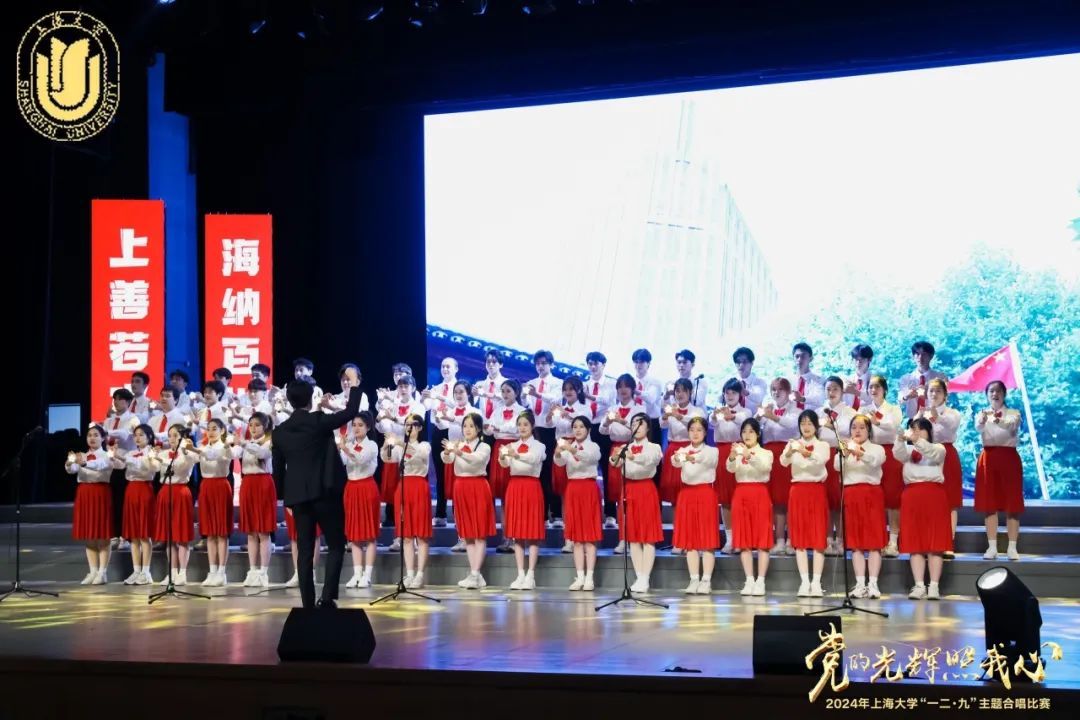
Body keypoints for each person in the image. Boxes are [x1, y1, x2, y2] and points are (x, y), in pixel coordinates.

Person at [271, 366, 363, 609]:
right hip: (326, 493)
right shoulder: (318, 421)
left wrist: (285, 499)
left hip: (299, 498)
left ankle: (307, 605)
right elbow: (351, 411)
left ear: (289, 401)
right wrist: (354, 384)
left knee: (304, 551)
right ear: (311, 399)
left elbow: (278, 472)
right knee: (336, 544)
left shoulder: (279, 432)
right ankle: (327, 597)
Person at [893, 418, 951, 600]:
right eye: (913, 429)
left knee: (935, 543)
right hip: (912, 495)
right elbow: (898, 454)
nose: (916, 432)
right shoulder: (909, 450)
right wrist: (900, 439)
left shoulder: (939, 448)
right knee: (915, 542)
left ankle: (934, 586)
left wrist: (916, 440)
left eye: (920, 429)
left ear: (929, 431)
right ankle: (919, 585)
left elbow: (932, 453)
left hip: (934, 495)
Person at [442, 412, 495, 589]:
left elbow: (476, 460)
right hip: (461, 487)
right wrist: (448, 452)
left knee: (479, 533)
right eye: (465, 426)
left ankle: (475, 574)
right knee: (468, 534)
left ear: (478, 428)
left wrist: (459, 452)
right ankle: (475, 574)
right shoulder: (459, 444)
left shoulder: (484, 446)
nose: (467, 429)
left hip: (478, 486)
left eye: (471, 426)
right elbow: (447, 459)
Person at [611, 413, 663, 593]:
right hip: (629, 489)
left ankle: (645, 577)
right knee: (632, 536)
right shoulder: (626, 447)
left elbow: (651, 460)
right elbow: (614, 464)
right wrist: (617, 456)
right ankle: (639, 575)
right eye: (634, 423)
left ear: (648, 427)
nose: (637, 427)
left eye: (641, 424)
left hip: (646, 489)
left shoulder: (654, 447)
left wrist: (632, 456)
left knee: (647, 537)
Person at [780, 410, 830, 597]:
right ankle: (804, 581)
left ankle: (816, 582)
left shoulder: (823, 445)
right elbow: (783, 462)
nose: (806, 427)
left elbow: (820, 461)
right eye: (803, 424)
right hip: (798, 491)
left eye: (809, 423)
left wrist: (804, 452)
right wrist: (790, 451)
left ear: (816, 426)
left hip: (816, 490)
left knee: (818, 536)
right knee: (799, 537)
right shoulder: (793, 443)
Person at [381, 413, 433, 589]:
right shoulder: (398, 447)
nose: (409, 428)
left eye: (413, 424)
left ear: (420, 428)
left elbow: (420, 454)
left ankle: (420, 574)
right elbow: (388, 458)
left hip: (419, 487)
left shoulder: (424, 445)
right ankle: (409, 574)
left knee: (422, 535)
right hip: (403, 488)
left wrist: (400, 443)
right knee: (407, 535)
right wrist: (387, 444)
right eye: (407, 424)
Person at [838, 414, 887, 599]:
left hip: (871, 494)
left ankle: (873, 583)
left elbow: (875, 461)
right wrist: (845, 453)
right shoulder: (845, 448)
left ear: (869, 431)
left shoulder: (877, 448)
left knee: (874, 541)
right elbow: (836, 467)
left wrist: (858, 451)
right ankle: (860, 584)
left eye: (861, 427)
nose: (857, 431)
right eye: (854, 427)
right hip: (851, 494)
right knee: (855, 542)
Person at [975, 381, 1024, 561]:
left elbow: (1011, 426)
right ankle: (992, 547)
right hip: (988, 458)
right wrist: (982, 420)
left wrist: (997, 419)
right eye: (991, 391)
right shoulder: (981, 413)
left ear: (1004, 394)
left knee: (1012, 504)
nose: (995, 394)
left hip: (1009, 458)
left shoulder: (1014, 413)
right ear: (987, 395)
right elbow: (978, 427)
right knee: (989, 504)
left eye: (998, 391)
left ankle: (1012, 547)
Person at [499, 409, 547, 590]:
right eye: (519, 425)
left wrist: (515, 455)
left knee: (532, 533)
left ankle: (531, 575)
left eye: (525, 424)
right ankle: (520, 574)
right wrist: (503, 456)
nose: (522, 428)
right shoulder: (511, 445)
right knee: (517, 534)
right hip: (515, 486)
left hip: (531, 487)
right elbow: (505, 464)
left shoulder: (539, 446)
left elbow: (534, 459)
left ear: (532, 426)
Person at [671, 417, 719, 594]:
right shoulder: (682, 450)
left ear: (705, 432)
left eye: (699, 430)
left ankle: (706, 580)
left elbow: (706, 460)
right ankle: (694, 579)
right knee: (690, 540)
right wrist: (680, 456)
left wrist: (689, 457)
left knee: (707, 539)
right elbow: (674, 461)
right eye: (692, 430)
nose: (695, 433)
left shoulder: (712, 451)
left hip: (705, 493)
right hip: (687, 494)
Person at [555, 415, 603, 591]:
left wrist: (571, 449)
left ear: (588, 429)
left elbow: (590, 458)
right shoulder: (569, 445)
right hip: (573, 489)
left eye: (581, 426)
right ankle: (580, 576)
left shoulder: (594, 446)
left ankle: (590, 577)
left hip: (588, 488)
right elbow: (559, 462)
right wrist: (558, 452)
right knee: (576, 538)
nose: (577, 430)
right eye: (575, 427)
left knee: (589, 537)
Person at [728, 418, 774, 596]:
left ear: (758, 434)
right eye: (744, 432)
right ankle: (749, 580)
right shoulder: (738, 451)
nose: (747, 435)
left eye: (751, 431)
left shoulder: (766, 452)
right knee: (744, 540)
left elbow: (764, 468)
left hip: (760, 493)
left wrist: (748, 455)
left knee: (763, 540)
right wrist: (733, 456)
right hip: (741, 493)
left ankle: (760, 581)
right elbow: (730, 469)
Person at [599, 374, 643, 553]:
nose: (623, 390)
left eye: (626, 386)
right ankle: (623, 538)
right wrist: (607, 421)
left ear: (632, 389)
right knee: (619, 496)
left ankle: (635, 537)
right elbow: (602, 431)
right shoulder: (612, 409)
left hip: (634, 450)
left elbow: (639, 431)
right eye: (620, 387)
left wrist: (621, 421)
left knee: (632, 496)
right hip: (615, 451)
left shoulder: (639, 409)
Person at [919, 378, 963, 556]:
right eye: (931, 391)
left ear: (945, 394)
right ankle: (928, 541)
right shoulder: (922, 414)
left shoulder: (952, 413)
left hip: (947, 454)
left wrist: (937, 416)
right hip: (927, 455)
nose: (934, 394)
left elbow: (951, 427)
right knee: (927, 499)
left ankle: (948, 543)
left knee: (950, 500)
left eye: (938, 391)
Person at [66, 425, 113, 585]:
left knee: (102, 535)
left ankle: (102, 572)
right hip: (84, 493)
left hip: (100, 493)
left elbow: (100, 465)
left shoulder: (107, 455)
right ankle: (92, 571)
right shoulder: (83, 455)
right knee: (89, 534)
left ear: (103, 438)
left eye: (96, 435)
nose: (92, 438)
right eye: (89, 435)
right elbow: (72, 470)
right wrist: (69, 463)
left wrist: (84, 463)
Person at [151, 425, 198, 585]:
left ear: (182, 438)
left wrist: (185, 450)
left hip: (181, 492)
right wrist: (152, 457)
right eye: (170, 435)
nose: (172, 439)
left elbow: (180, 466)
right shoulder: (163, 453)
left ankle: (182, 573)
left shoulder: (188, 453)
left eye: (175, 435)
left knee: (181, 536)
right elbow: (154, 468)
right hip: (165, 492)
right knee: (170, 537)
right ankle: (171, 573)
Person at [189, 419, 233, 587]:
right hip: (206, 487)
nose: (211, 432)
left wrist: (194, 449)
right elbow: (192, 458)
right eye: (208, 429)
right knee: (210, 532)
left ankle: (222, 572)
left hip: (220, 486)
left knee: (221, 532)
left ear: (222, 431)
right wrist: (186, 450)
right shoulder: (203, 447)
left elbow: (213, 455)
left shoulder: (225, 447)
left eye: (215, 429)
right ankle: (212, 571)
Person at [111, 423, 156, 585]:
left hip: (144, 490)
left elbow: (144, 466)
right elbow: (121, 466)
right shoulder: (131, 452)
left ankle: (146, 572)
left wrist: (124, 457)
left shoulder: (151, 453)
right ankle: (136, 571)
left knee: (144, 534)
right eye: (135, 435)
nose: (137, 438)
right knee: (134, 535)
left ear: (149, 437)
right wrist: (114, 456)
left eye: (141, 435)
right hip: (131, 490)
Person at [864, 375, 904, 557]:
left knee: (893, 499)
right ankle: (876, 539)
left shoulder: (894, 409)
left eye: (877, 387)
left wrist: (877, 422)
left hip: (891, 454)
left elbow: (894, 426)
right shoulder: (863, 410)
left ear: (885, 390)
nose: (873, 390)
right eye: (871, 387)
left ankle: (893, 541)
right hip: (871, 453)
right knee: (873, 498)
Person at [759, 378, 799, 555]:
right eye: (773, 389)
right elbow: (754, 427)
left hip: (789, 455)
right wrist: (760, 415)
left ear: (788, 392)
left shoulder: (796, 410)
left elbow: (791, 426)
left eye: (780, 389)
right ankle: (780, 539)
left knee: (790, 499)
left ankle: (792, 539)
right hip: (770, 456)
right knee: (776, 500)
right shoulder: (767, 409)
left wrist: (772, 416)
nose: (776, 392)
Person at [236, 413, 277, 588]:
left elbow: (262, 453)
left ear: (265, 427)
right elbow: (231, 454)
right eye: (251, 425)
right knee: (251, 531)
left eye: (257, 425)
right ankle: (252, 571)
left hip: (263, 484)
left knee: (263, 531)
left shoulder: (269, 442)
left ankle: (263, 572)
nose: (253, 428)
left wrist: (244, 443)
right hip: (248, 484)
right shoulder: (246, 444)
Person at [710, 378, 750, 554]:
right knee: (725, 499)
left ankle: (743, 537)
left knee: (741, 497)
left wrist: (730, 415)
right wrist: (715, 415)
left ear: (740, 394)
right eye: (727, 392)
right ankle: (730, 538)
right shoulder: (718, 411)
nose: (730, 395)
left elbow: (743, 421)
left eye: (734, 392)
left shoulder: (745, 412)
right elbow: (712, 422)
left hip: (740, 452)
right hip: (722, 453)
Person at [341, 412, 381, 588]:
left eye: (360, 425)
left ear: (368, 427)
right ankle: (356, 574)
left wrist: (345, 448)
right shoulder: (349, 444)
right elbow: (342, 461)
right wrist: (342, 448)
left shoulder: (371, 445)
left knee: (369, 534)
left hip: (366, 487)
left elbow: (361, 459)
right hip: (351, 487)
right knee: (354, 534)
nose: (356, 428)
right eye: (354, 425)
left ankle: (367, 574)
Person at [523, 350, 562, 527]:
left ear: (551, 364)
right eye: (537, 363)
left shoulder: (558, 383)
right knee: (538, 472)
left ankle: (557, 513)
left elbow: (555, 399)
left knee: (552, 472)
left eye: (544, 363)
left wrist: (537, 395)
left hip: (551, 430)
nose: (540, 366)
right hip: (535, 430)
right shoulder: (531, 383)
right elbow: (528, 406)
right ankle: (542, 514)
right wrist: (524, 397)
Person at [819, 376, 856, 556]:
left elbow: (854, 435)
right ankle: (826, 539)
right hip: (823, 457)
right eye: (828, 389)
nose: (831, 392)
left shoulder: (850, 412)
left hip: (842, 455)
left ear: (842, 391)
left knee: (840, 499)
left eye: (835, 389)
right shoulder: (819, 412)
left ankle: (841, 540)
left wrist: (833, 428)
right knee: (825, 500)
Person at [423, 357, 459, 528]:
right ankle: (441, 513)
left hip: (455, 431)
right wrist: (425, 398)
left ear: (456, 369)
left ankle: (458, 513)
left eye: (448, 366)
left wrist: (440, 397)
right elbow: (427, 407)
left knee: (456, 472)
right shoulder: (436, 388)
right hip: (438, 430)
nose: (445, 369)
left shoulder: (459, 387)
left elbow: (457, 404)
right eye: (443, 366)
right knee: (439, 472)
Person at [660, 378, 706, 510]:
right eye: (677, 391)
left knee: (690, 488)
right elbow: (662, 425)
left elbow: (696, 425)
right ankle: (677, 522)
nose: (680, 394)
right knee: (674, 490)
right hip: (674, 449)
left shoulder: (697, 411)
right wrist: (665, 416)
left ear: (690, 392)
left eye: (683, 391)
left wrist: (678, 416)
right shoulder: (671, 408)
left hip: (691, 449)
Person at [583, 351, 616, 525]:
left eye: (596, 363)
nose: (592, 366)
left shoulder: (611, 384)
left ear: (603, 365)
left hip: (605, 427)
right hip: (588, 428)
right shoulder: (584, 384)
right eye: (590, 363)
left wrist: (590, 396)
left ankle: (610, 513)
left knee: (607, 469)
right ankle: (590, 510)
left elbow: (609, 401)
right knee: (588, 469)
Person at [898, 341, 947, 419]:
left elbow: (945, 401)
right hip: (913, 420)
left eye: (924, 354)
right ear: (913, 356)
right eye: (917, 354)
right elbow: (900, 400)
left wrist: (929, 394)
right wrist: (907, 396)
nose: (920, 357)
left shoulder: (940, 377)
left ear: (931, 356)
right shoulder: (906, 379)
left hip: (934, 419)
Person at [790, 342, 826, 411]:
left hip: (813, 416)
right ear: (793, 358)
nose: (799, 359)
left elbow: (820, 399)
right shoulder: (788, 381)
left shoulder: (819, 379)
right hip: (792, 416)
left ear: (811, 358)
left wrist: (802, 399)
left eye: (803, 356)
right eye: (797, 356)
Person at [732, 347, 768, 414]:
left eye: (744, 362)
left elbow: (759, 398)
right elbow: (720, 399)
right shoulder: (730, 382)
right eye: (738, 362)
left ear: (752, 363)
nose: (741, 365)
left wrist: (744, 391)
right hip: (732, 418)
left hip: (753, 419)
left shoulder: (759, 382)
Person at [844, 344, 874, 411]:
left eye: (862, 359)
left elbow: (877, 401)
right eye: (856, 359)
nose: (858, 362)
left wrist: (855, 392)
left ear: (870, 359)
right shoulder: (848, 380)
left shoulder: (875, 380)